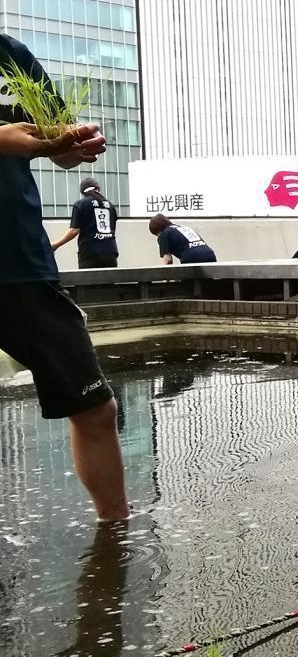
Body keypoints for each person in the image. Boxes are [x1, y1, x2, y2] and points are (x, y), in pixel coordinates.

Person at [0, 27, 128, 520]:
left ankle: (114, 536)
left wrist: (74, 142)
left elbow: (57, 141)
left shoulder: (10, 54)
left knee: (96, 407)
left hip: (20, 258)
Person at [50, 177, 119, 268]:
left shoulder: (80, 204)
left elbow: (74, 231)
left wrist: (55, 245)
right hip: (110, 253)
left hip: (89, 253)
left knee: (89, 281)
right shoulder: (111, 206)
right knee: (108, 281)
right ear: (98, 189)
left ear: (83, 193)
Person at [148, 213, 217, 264]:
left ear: (158, 231)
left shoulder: (164, 234)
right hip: (210, 256)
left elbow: (168, 260)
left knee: (187, 283)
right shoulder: (183, 227)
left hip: (192, 259)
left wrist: (166, 278)